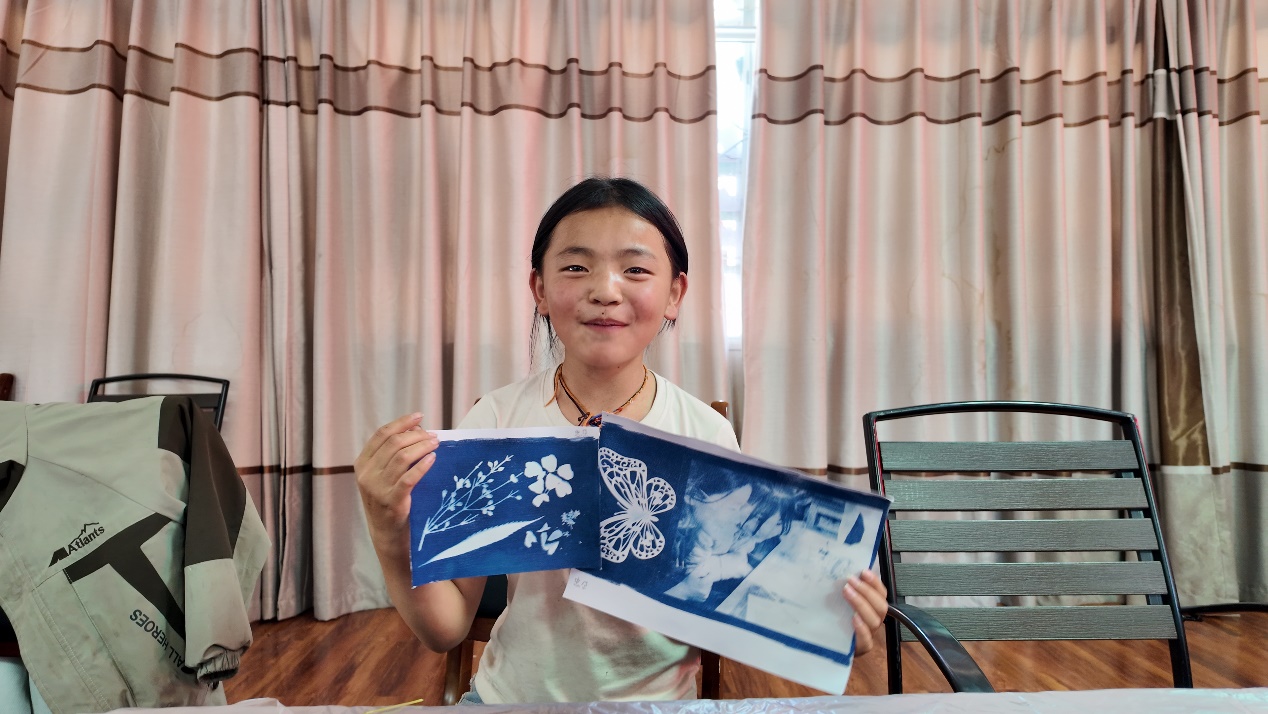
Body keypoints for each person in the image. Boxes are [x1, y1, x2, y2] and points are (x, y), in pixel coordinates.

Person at [354, 177, 889, 704]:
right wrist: (389, 529)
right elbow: (445, 629)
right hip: (510, 701)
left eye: (635, 269)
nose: (605, 291)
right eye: (575, 267)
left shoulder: (703, 432)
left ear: (674, 293)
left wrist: (828, 623)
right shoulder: (496, 421)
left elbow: (725, 599)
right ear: (540, 289)